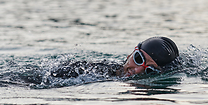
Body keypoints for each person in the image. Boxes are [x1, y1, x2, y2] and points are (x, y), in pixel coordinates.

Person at [50, 36, 179, 79]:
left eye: (150, 70)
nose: (138, 70)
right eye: (138, 59)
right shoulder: (90, 71)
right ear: (130, 54)